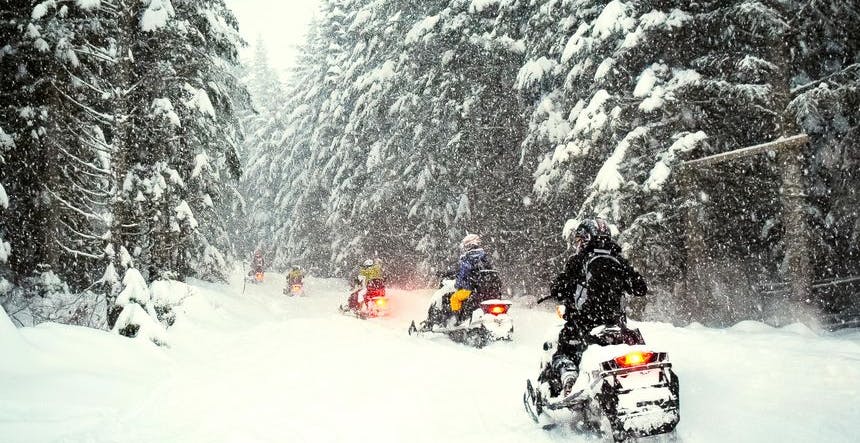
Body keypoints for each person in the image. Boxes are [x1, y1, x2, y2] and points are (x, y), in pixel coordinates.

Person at [539, 218, 647, 397]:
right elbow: (640, 288)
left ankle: (569, 378)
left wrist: (559, 290)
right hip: (615, 325)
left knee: (564, 349)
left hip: (584, 325)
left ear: (587, 238)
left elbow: (558, 288)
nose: (578, 244)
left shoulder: (578, 260)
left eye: (580, 239)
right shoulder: (619, 260)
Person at [448, 234, 501, 323]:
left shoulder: (468, 258)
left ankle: (458, 320)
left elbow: (463, 275)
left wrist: (457, 285)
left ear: (468, 245)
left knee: (454, 298)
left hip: (473, 291)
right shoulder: (486, 257)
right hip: (491, 292)